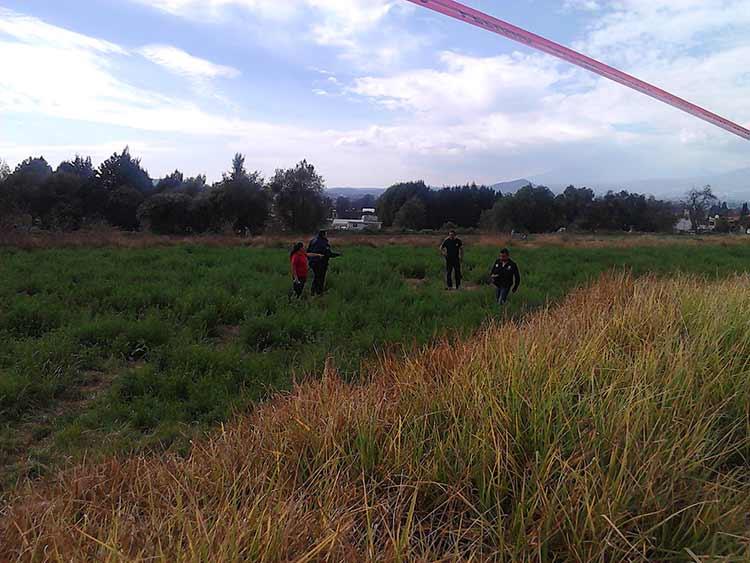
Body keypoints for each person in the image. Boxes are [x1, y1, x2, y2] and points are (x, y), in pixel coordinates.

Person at [306, 230, 341, 296]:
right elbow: (327, 253)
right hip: (321, 263)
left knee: (316, 277)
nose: (326, 235)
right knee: (321, 278)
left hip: (312, 263)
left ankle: (313, 292)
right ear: (323, 235)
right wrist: (337, 254)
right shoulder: (323, 242)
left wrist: (310, 260)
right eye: (326, 234)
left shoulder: (313, 240)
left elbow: (308, 252)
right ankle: (319, 293)